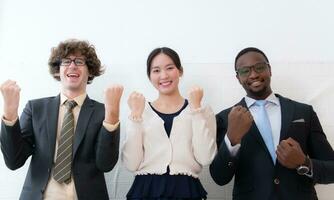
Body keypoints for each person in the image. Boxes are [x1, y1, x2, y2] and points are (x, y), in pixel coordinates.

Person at [0, 39, 123, 200]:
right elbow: (14, 161)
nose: (72, 66)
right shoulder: (35, 108)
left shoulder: (103, 112)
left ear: (90, 71)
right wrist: (10, 113)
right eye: (66, 61)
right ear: (58, 70)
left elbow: (105, 164)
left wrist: (112, 115)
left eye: (79, 61)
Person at [209, 47, 334, 200]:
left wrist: (304, 163)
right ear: (238, 78)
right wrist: (231, 140)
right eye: (245, 71)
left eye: (260, 67)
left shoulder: (303, 112)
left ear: (270, 69)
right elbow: (219, 178)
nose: (254, 74)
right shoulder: (224, 118)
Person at [122, 47, 217, 200]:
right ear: (149, 76)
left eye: (170, 68)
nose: (164, 76)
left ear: (180, 71)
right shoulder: (140, 111)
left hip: (186, 189)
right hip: (145, 190)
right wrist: (135, 117)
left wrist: (197, 111)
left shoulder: (201, 110)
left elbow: (205, 158)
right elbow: (131, 163)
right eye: (156, 70)